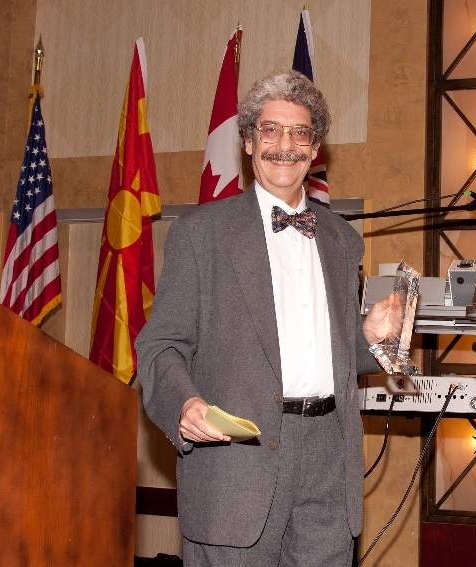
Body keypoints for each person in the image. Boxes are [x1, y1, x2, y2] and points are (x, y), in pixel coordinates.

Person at [135, 69, 398, 567]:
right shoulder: (199, 235)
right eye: (271, 130)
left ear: (315, 147)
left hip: (329, 460)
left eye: (300, 132)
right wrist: (184, 403)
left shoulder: (342, 241)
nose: (285, 145)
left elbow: (332, 354)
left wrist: (370, 339)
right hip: (236, 461)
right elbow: (160, 345)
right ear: (249, 141)